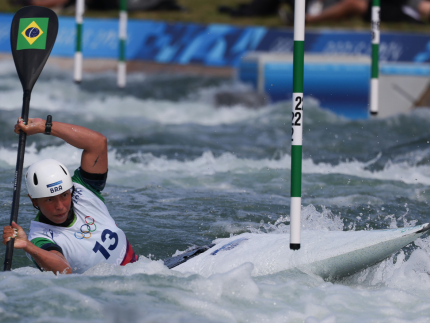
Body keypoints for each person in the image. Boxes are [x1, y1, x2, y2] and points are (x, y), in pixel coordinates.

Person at [2, 116, 137, 274]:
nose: (60, 206)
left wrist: (43, 127)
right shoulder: (40, 237)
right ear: (34, 201)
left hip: (142, 269)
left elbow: (97, 143)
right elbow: (64, 270)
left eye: (64, 195)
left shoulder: (84, 189)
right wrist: (28, 246)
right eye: (50, 199)